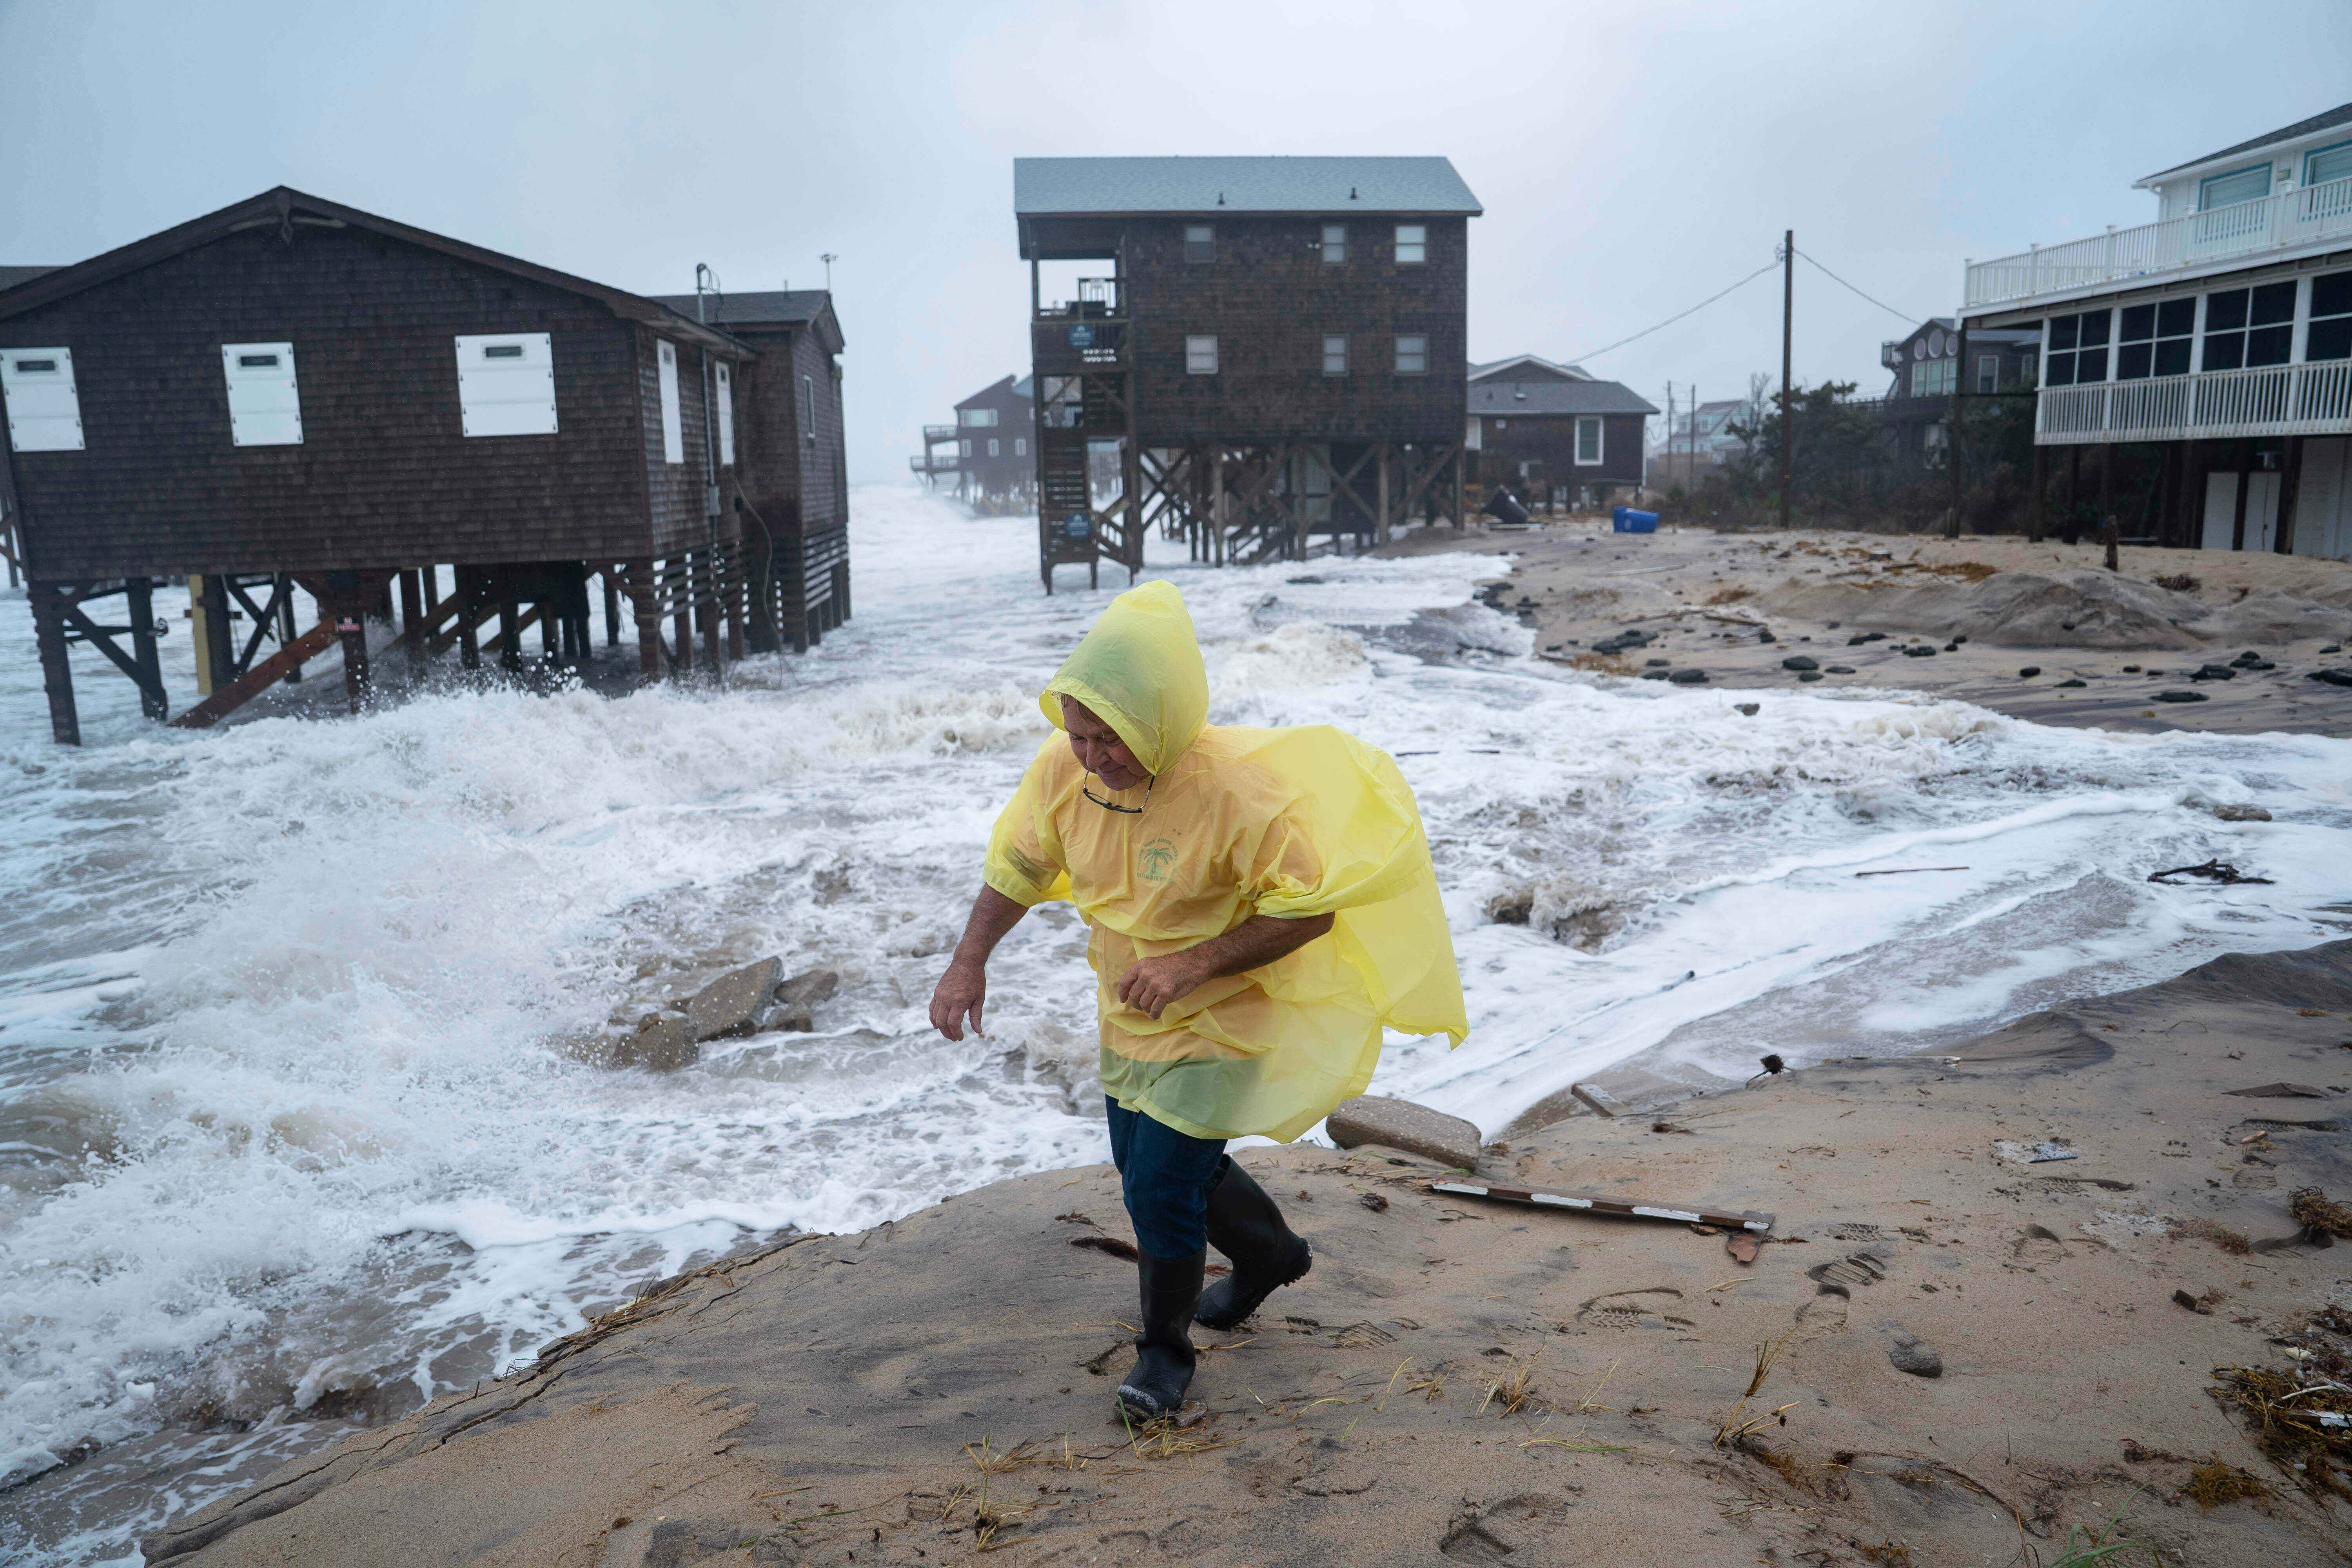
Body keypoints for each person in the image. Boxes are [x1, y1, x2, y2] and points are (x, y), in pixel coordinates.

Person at [928, 581, 1465, 1421]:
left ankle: (1163, 1355)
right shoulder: (1061, 772)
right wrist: (968, 962)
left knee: (1156, 1189)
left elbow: (1310, 907)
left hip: (1223, 1013)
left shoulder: (1238, 794)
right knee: (1157, 1169)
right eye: (1079, 733)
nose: (1094, 754)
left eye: (1112, 736)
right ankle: (1274, 1254)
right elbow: (1019, 867)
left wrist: (1195, 963)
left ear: (1162, 724)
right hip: (1129, 1008)